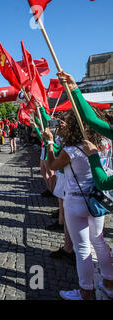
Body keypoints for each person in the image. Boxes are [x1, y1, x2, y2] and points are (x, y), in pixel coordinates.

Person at [44, 109, 113, 300]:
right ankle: (109, 283)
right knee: (99, 242)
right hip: (97, 199)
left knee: (82, 247)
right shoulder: (106, 143)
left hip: (76, 200)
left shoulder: (72, 149)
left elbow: (52, 165)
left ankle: (85, 292)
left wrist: (50, 143)